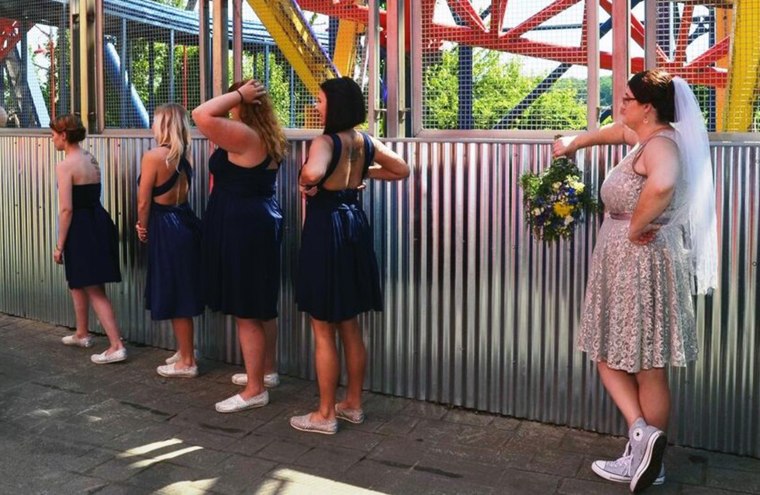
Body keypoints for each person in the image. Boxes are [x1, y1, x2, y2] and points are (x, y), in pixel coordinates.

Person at [553, 69, 718, 492]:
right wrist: (574, 142)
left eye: (627, 99)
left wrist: (635, 224)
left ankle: (641, 439)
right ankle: (648, 458)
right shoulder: (647, 138)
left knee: (619, 356)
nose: (620, 105)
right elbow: (615, 134)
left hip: (637, 259)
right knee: (647, 365)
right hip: (636, 260)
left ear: (648, 107)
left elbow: (662, 182)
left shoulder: (661, 145)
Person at [290, 77, 409, 435]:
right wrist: (358, 173)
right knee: (350, 323)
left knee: (323, 326)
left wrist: (309, 179)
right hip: (354, 225)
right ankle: (353, 404)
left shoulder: (324, 141)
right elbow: (401, 169)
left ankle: (325, 414)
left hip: (327, 229)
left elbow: (312, 171)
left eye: (322, 100)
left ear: (336, 104)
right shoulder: (365, 140)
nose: (317, 105)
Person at [192, 79, 287, 412]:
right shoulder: (267, 135)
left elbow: (200, 114)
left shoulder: (245, 135)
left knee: (246, 309)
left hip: (242, 224)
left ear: (242, 103)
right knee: (262, 304)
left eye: (233, 102)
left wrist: (238, 94)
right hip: (258, 220)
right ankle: (267, 371)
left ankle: (255, 389)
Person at [51, 114, 127, 364]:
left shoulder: (65, 166)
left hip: (81, 227)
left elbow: (67, 209)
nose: (52, 138)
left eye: (54, 134)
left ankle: (116, 345)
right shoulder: (90, 158)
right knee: (78, 281)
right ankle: (82, 333)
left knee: (93, 288)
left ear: (64, 135)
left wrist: (59, 245)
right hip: (98, 221)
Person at [136, 103, 203, 378]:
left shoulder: (154, 157)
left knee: (176, 294)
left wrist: (142, 225)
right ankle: (184, 350)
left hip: (164, 226)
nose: (152, 125)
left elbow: (143, 201)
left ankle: (187, 361)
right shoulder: (186, 156)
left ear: (163, 125)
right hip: (184, 221)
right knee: (182, 289)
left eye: (155, 121)